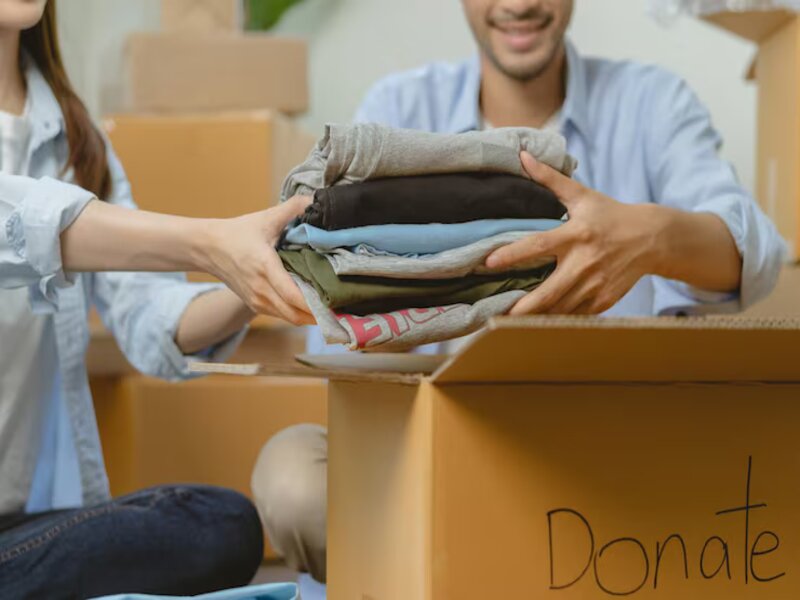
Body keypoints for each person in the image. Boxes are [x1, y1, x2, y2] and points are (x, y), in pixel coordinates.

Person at [252, 0, 787, 593]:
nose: (519, 4)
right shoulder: (399, 112)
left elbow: (752, 251)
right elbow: (337, 331)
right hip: (441, 454)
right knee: (292, 474)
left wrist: (648, 238)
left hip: (608, 452)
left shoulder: (650, 103)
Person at [0, 1, 313, 597]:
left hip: (29, 532)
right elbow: (23, 225)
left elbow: (149, 316)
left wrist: (258, 278)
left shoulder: (72, 134)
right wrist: (210, 242)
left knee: (221, 525)